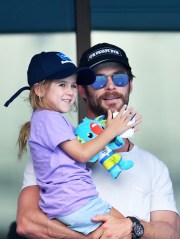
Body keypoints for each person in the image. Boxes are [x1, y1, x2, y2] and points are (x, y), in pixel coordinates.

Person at [16, 43, 179, 239]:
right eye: (99, 80)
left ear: (130, 85)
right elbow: (27, 223)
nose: (111, 86)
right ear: (83, 91)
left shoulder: (155, 167)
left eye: (119, 78)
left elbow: (172, 233)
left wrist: (133, 226)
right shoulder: (52, 151)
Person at [5, 51, 141, 236]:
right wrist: (112, 130)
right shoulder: (49, 118)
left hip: (70, 203)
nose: (70, 92)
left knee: (119, 229)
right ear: (39, 89)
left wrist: (110, 131)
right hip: (77, 202)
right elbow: (83, 154)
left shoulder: (44, 120)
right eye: (62, 84)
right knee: (124, 231)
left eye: (73, 85)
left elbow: (84, 154)